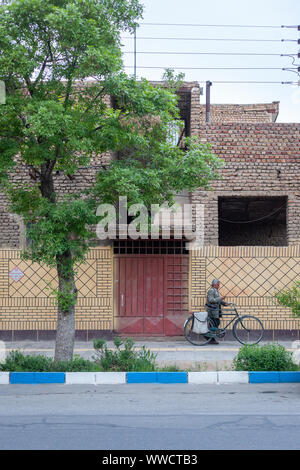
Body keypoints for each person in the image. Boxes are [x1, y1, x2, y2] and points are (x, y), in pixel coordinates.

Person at [205, 279, 229, 345]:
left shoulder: (216, 291)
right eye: (218, 284)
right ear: (214, 285)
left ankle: (210, 338)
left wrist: (224, 303)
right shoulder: (211, 291)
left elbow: (217, 300)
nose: (219, 286)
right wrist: (221, 298)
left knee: (216, 323)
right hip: (212, 311)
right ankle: (209, 338)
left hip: (215, 310)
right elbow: (211, 300)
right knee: (214, 324)